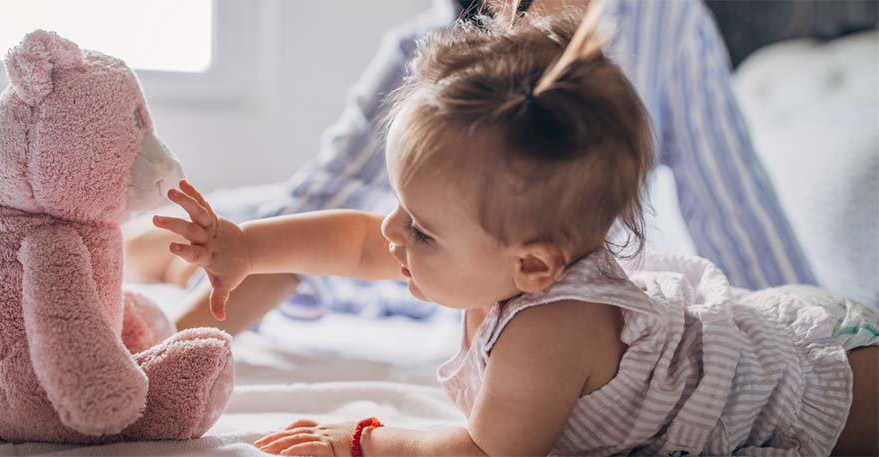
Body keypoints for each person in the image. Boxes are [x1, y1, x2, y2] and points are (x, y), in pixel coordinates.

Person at [150, 5, 878, 455]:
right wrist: (248, 247)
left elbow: (484, 450)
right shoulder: (500, 251)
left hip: (826, 369)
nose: (392, 232)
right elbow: (358, 241)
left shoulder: (550, 328)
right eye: (405, 208)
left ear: (534, 266)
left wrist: (362, 438)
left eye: (422, 231)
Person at [125, 0, 818, 335]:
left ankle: (170, 247)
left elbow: (743, 221)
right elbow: (345, 219)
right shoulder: (432, 53)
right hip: (430, 249)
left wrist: (808, 329)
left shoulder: (668, 28)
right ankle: (166, 247)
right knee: (285, 222)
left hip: (461, 257)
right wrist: (188, 322)